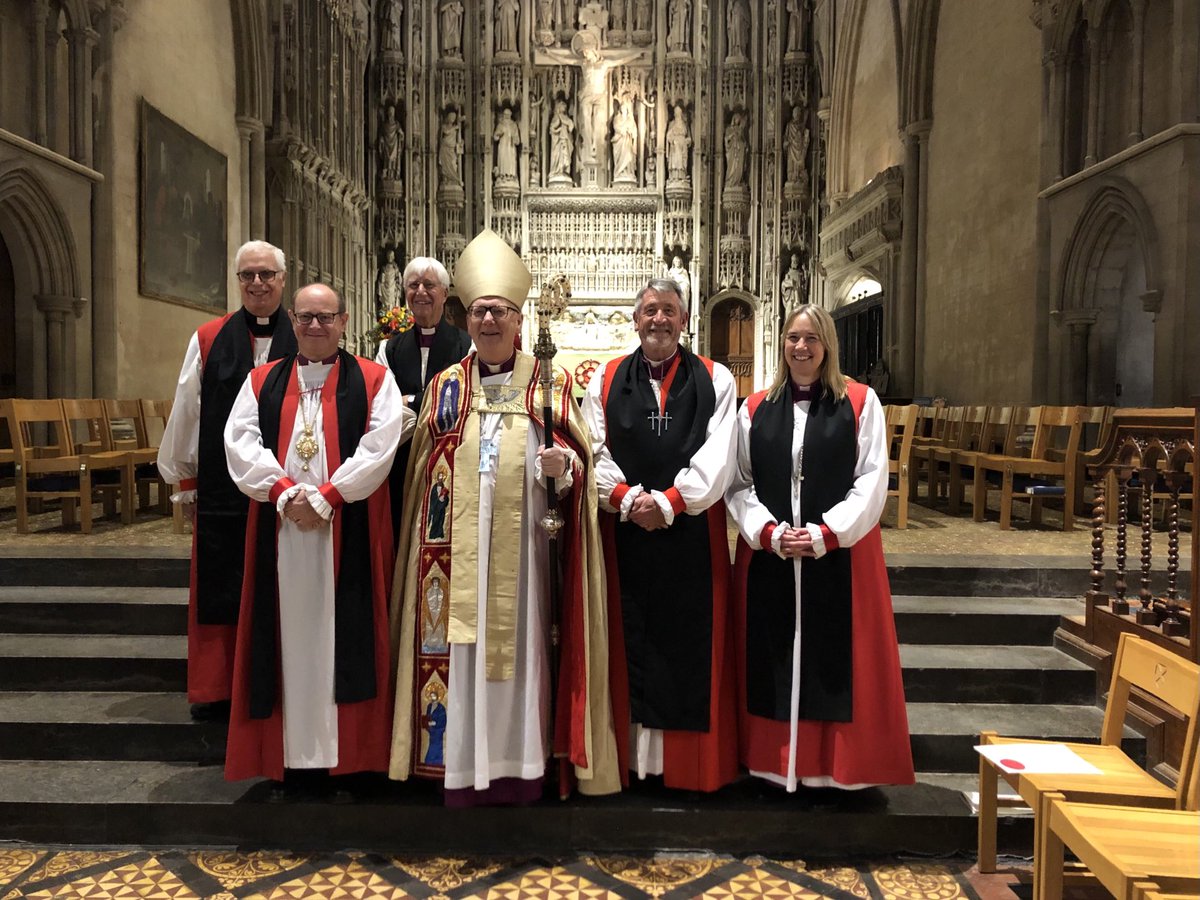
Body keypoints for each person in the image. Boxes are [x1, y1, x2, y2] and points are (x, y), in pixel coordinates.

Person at [389, 229, 620, 805]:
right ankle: (459, 766)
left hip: (527, 566)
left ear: (520, 321)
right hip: (453, 559)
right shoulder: (444, 388)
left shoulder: (551, 384)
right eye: (482, 311)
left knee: (524, 655)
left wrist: (562, 468)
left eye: (502, 312)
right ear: (467, 320)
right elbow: (421, 475)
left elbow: (581, 469)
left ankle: (521, 766)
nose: (490, 322)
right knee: (458, 657)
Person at [222, 283, 412, 787]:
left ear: (344, 321)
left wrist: (329, 496)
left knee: (345, 633)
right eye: (305, 317)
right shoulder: (261, 381)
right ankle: (286, 756)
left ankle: (348, 758)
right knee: (281, 635)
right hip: (281, 527)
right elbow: (239, 442)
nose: (314, 326)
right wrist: (285, 493)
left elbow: (381, 444)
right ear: (292, 318)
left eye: (325, 318)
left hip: (346, 528)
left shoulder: (374, 380)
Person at [724, 304, 914, 791]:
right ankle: (773, 763)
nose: (801, 348)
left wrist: (826, 533)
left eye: (811, 339)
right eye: (792, 338)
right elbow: (740, 482)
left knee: (836, 659)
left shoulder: (859, 402)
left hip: (839, 557)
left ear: (827, 345)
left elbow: (872, 479)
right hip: (772, 556)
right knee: (771, 654)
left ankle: (833, 773)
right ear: (781, 344)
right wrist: (768, 532)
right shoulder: (755, 408)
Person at [581, 277, 739, 792]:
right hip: (623, 533)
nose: (659, 320)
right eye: (650, 310)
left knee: (684, 646)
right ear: (635, 319)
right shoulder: (605, 378)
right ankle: (628, 761)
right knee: (625, 639)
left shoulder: (716, 379)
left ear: (684, 320)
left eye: (669, 310)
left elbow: (719, 456)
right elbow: (592, 449)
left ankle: (681, 767)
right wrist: (626, 500)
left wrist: (671, 503)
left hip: (689, 533)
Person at [157, 240, 297, 721]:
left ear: (283, 279)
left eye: (266, 275)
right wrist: (188, 481)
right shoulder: (208, 338)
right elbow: (188, 412)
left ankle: (280, 679)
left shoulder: (307, 335)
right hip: (222, 490)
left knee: (283, 585)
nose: (257, 284)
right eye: (247, 275)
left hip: (288, 487)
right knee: (223, 587)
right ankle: (218, 687)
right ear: (237, 281)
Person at [375, 257, 471, 533]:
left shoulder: (467, 346)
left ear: (444, 293)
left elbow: (463, 401)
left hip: (450, 454)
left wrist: (413, 400)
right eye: (413, 285)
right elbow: (387, 404)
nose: (420, 292)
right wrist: (431, 401)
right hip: (403, 457)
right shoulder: (389, 349)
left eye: (429, 285)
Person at [610, 95, 638, 181]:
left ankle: (629, 172)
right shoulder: (617, 118)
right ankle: (619, 173)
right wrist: (623, 130)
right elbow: (615, 127)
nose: (623, 110)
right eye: (622, 108)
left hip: (627, 142)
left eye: (625, 108)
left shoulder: (630, 119)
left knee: (629, 156)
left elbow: (634, 131)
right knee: (620, 157)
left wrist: (630, 131)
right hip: (620, 141)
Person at [548, 99, 575, 179]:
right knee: (559, 155)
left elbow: (571, 127)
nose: (564, 107)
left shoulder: (567, 118)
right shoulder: (556, 117)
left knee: (566, 155)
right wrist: (557, 130)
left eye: (565, 106)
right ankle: (558, 171)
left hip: (566, 140)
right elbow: (552, 128)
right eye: (563, 106)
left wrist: (570, 126)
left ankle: (564, 171)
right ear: (559, 107)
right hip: (559, 141)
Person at [493, 107, 520, 182]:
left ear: (510, 115)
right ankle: (502, 175)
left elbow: (517, 140)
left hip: (511, 147)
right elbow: (495, 137)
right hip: (503, 146)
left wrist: (515, 139)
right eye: (505, 114)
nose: (507, 116)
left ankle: (511, 176)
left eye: (508, 115)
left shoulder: (514, 125)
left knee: (511, 159)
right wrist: (499, 134)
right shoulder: (500, 124)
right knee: (503, 158)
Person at [438, 109, 464, 186]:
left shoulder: (456, 128)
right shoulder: (444, 126)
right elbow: (446, 132)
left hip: (452, 149)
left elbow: (458, 139)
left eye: (454, 118)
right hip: (445, 148)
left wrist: (461, 142)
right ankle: (446, 179)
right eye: (451, 117)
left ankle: (455, 180)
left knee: (453, 165)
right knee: (446, 166)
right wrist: (455, 127)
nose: (452, 119)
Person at [665, 105, 691, 180]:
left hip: (683, 146)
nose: (677, 114)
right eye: (676, 112)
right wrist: (673, 140)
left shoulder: (684, 124)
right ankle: (674, 176)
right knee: (675, 159)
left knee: (682, 162)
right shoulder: (672, 124)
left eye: (679, 112)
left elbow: (689, 137)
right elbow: (668, 136)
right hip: (675, 146)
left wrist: (687, 140)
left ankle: (682, 175)